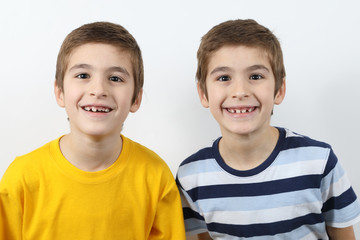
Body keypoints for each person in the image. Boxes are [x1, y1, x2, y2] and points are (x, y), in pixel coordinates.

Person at [176, 19, 360, 239]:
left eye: (256, 76)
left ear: (279, 89)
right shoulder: (191, 176)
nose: (240, 91)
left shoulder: (319, 162)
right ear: (203, 94)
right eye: (224, 78)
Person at [0, 21, 185, 240]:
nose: (98, 90)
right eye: (83, 75)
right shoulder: (22, 178)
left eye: (115, 78)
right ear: (60, 92)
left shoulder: (155, 176)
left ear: (136, 99)